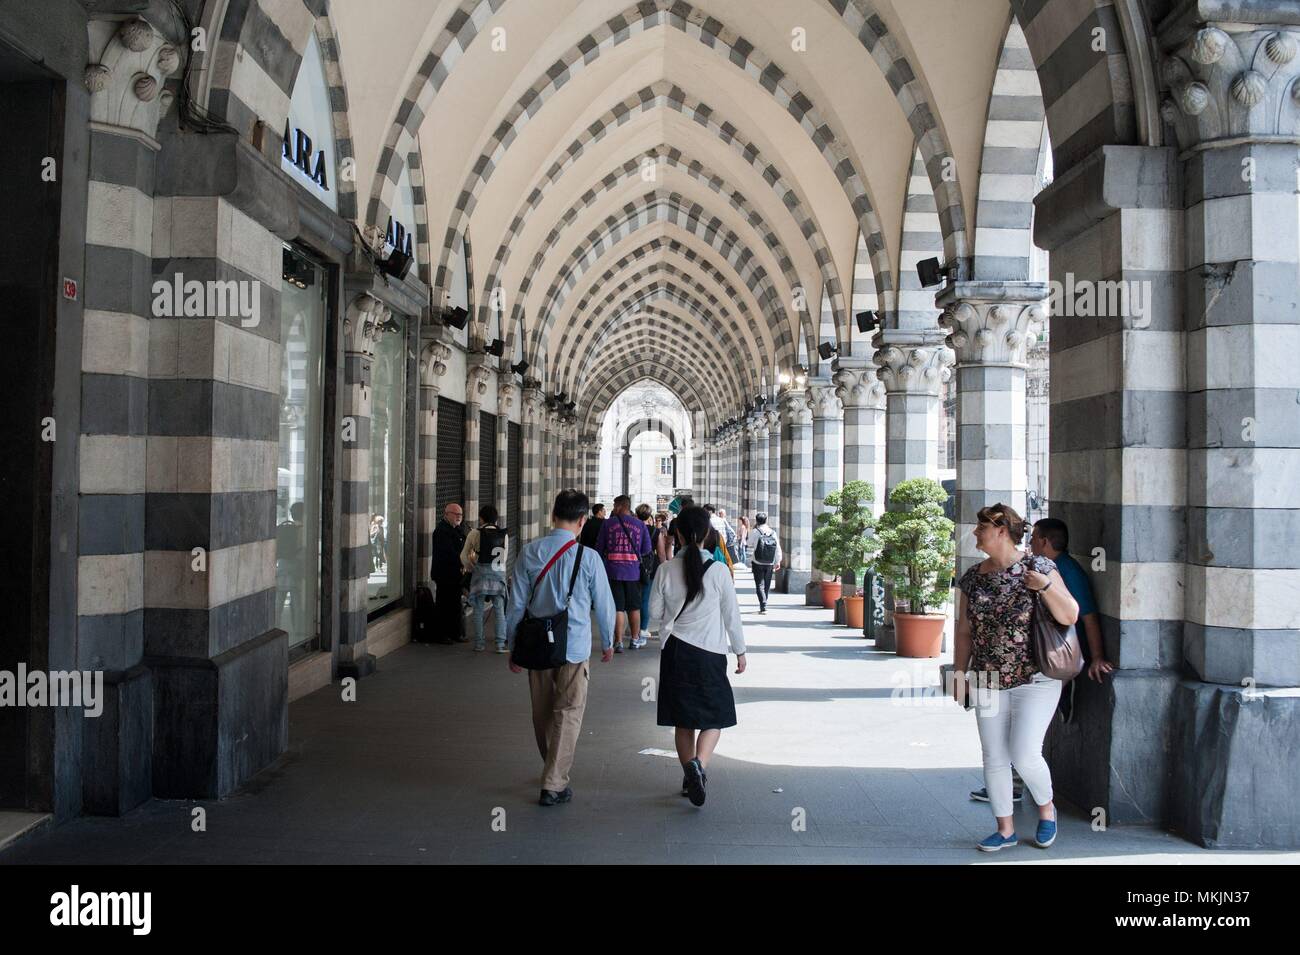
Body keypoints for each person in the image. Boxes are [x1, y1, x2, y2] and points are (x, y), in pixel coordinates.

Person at [954, 503, 1078, 852]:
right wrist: (959, 673)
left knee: (1024, 755)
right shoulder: (973, 576)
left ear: (1002, 531)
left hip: (1036, 677)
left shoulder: (1039, 567)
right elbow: (964, 631)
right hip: (988, 677)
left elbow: (1070, 614)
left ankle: (1046, 810)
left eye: (981, 528)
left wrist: (1044, 588)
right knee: (993, 756)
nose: (976, 534)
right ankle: (1004, 828)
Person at [505, 489, 616, 806]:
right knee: (568, 713)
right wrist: (608, 641)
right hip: (574, 647)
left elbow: (515, 604)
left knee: (541, 712)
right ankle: (554, 780)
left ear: (553, 515)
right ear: (583, 520)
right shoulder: (590, 558)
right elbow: (604, 605)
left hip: (538, 647)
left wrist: (512, 645)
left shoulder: (529, 552)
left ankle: (552, 767)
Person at [650, 506, 747, 807]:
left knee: (683, 720)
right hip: (710, 654)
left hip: (676, 651)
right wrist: (740, 652)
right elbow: (732, 616)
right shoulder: (719, 571)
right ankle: (698, 767)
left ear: (676, 534)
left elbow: (653, 614)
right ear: (708, 534)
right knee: (714, 716)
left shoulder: (665, 570)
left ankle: (688, 772)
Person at [1031, 517, 1111, 722]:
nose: (1030, 542)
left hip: (1065, 651)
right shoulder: (1049, 567)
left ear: (1044, 542)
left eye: (1033, 537)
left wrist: (1097, 657)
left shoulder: (1068, 571)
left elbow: (1089, 616)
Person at [594, 495, 652, 652]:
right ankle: (634, 640)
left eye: (614, 505)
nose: (613, 508)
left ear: (620, 506)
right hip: (633, 573)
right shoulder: (640, 525)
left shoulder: (608, 524)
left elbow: (599, 548)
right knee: (634, 607)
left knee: (617, 608)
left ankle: (618, 642)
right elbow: (646, 550)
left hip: (613, 572)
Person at [460, 505, 509, 652]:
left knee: (478, 609)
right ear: (496, 519)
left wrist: (471, 567)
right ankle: (500, 644)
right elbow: (504, 559)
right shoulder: (503, 535)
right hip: (498, 576)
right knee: (499, 610)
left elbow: (463, 555)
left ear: (481, 518)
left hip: (480, 575)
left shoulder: (475, 533)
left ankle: (479, 644)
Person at [431, 502, 468, 644]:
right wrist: (463, 560)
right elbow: (449, 553)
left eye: (461, 515)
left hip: (455, 574)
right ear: (446, 514)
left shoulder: (457, 530)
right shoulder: (441, 531)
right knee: (444, 605)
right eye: (456, 514)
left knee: (455, 605)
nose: (459, 517)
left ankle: (455, 633)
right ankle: (442, 635)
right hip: (444, 574)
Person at [746, 512, 782, 613]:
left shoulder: (755, 531)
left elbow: (749, 543)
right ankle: (764, 602)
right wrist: (778, 560)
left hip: (757, 561)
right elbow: (777, 547)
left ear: (757, 521)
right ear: (766, 520)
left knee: (759, 584)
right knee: (766, 584)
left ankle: (763, 604)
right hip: (770, 562)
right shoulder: (772, 532)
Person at [635, 503, 659, 647]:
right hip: (649, 568)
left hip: (634, 566)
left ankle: (634, 629)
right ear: (649, 515)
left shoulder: (634, 529)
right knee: (645, 599)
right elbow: (661, 552)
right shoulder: (655, 531)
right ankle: (642, 629)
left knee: (634, 600)